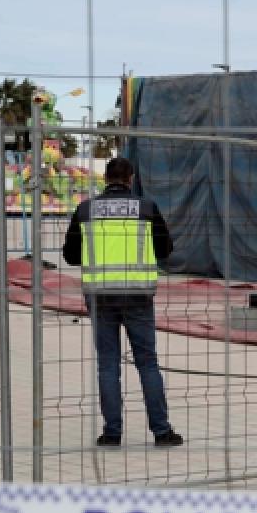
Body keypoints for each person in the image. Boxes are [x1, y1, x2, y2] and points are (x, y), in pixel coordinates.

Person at [62, 157, 183, 448]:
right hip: (138, 296)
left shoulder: (86, 209)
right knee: (147, 363)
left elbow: (70, 256)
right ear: (131, 179)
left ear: (105, 179)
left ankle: (112, 433)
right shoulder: (146, 208)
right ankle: (161, 431)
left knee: (107, 365)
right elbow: (165, 249)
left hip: (100, 296)